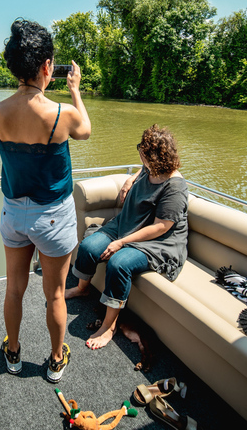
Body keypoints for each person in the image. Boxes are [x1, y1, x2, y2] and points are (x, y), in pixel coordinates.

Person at [0, 19, 91, 383]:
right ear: (47, 65)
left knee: (14, 288)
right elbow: (86, 130)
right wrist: (75, 90)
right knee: (55, 295)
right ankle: (54, 360)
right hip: (53, 217)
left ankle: (13, 352)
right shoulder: (60, 114)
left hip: (13, 214)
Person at [66, 125, 188, 350]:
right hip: (126, 225)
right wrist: (129, 181)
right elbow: (141, 172)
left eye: (142, 150)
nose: (140, 153)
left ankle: (109, 326)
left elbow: (161, 227)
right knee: (89, 246)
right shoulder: (149, 167)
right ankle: (83, 287)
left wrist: (122, 243)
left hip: (157, 243)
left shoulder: (175, 187)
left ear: (155, 156)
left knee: (119, 263)